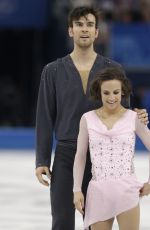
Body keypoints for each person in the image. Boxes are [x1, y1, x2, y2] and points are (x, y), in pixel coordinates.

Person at [35, 6, 148, 230]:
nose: (84, 29)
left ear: (97, 32)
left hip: (102, 158)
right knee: (61, 222)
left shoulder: (113, 69)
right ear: (70, 31)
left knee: (95, 224)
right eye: (79, 24)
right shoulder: (53, 71)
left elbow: (123, 114)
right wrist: (42, 160)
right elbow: (45, 117)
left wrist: (138, 115)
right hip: (67, 155)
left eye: (89, 25)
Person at [73, 67, 150, 230]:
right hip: (98, 193)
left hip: (127, 191)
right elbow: (80, 156)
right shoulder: (87, 119)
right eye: (106, 93)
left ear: (122, 92)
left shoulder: (134, 118)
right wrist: (77, 190)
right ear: (99, 93)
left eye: (116, 92)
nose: (112, 97)